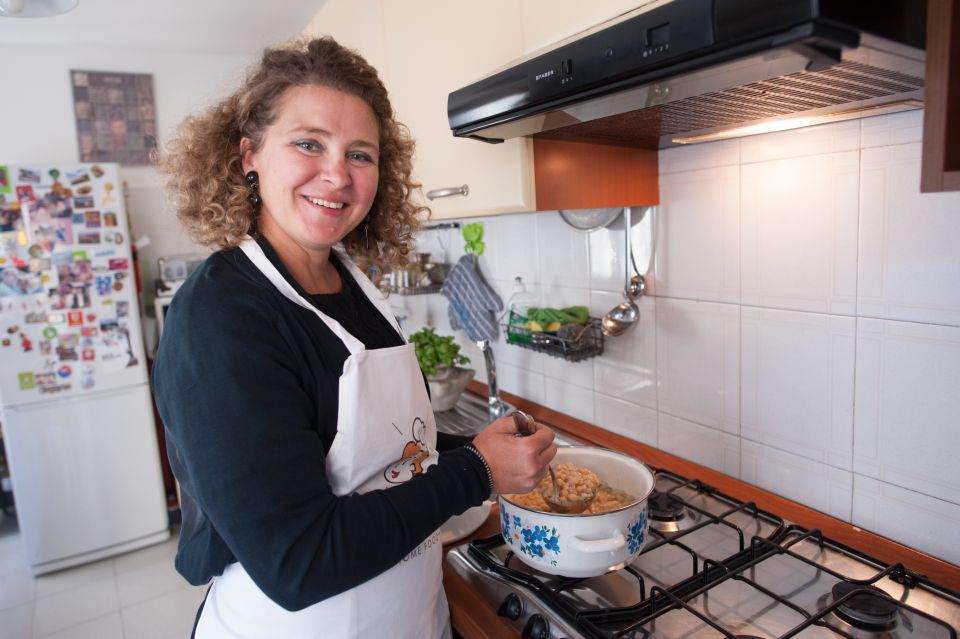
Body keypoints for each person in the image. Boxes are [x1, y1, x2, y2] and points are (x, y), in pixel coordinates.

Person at [151, 36, 556, 639]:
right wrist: (476, 471)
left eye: (360, 154)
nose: (337, 175)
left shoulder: (352, 283)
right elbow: (297, 561)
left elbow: (375, 452)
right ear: (248, 156)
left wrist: (475, 445)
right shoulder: (221, 315)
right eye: (308, 143)